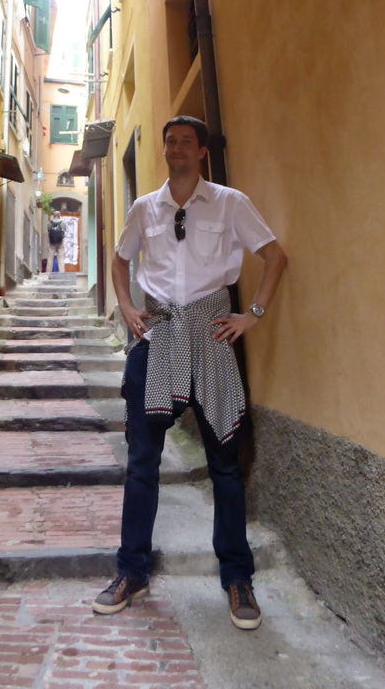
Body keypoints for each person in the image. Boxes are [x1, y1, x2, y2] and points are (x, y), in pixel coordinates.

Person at [92, 116, 286, 629]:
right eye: (169, 142)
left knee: (224, 462)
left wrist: (253, 316)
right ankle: (130, 573)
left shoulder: (230, 202)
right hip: (159, 337)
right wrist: (128, 308)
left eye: (185, 142)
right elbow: (119, 261)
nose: (175, 149)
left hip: (212, 335)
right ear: (165, 151)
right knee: (142, 464)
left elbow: (274, 257)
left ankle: (237, 579)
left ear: (201, 152)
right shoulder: (143, 209)